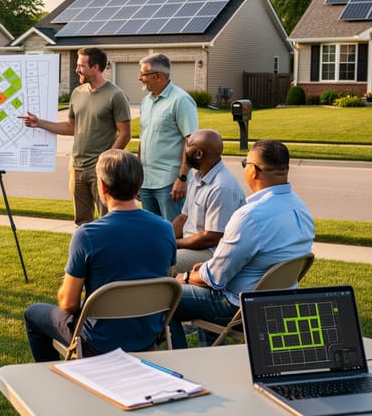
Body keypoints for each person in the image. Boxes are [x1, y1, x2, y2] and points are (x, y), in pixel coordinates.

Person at [24, 150, 176, 361]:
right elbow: (166, 279)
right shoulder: (165, 228)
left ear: (102, 187)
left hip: (98, 342)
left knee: (33, 314)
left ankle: (52, 378)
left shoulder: (87, 235)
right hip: (146, 336)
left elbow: (68, 303)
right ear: (139, 184)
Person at [169, 140, 314, 348]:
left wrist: (185, 277)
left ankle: (177, 359)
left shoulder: (250, 216)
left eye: (245, 163)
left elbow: (215, 279)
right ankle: (210, 352)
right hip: (281, 301)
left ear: (253, 170)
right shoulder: (301, 208)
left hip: (239, 307)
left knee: (165, 295)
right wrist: (205, 270)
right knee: (198, 281)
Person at [19, 47, 131, 226]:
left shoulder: (115, 95)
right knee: (82, 222)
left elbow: (125, 134)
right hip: (76, 167)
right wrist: (39, 123)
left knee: (107, 221)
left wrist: (106, 162)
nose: (77, 70)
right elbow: (71, 126)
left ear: (95, 67)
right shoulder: (77, 93)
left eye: (81, 66)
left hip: (100, 169)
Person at [171, 129, 245, 274]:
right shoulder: (198, 176)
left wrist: (173, 244)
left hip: (213, 252)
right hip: (193, 245)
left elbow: (212, 237)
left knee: (161, 261)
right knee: (151, 251)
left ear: (199, 154)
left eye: (188, 145)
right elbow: (183, 217)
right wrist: (164, 238)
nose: (184, 149)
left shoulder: (222, 187)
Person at [137, 53, 199, 222]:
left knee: (173, 232)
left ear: (158, 76)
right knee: (152, 233)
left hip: (170, 184)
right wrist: (138, 177)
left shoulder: (181, 100)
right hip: (147, 182)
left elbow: (191, 142)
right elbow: (144, 138)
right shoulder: (146, 101)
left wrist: (182, 178)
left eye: (143, 74)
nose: (139, 78)